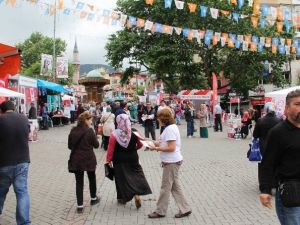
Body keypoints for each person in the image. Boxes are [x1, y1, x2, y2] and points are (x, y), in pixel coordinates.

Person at [259, 89, 300, 224]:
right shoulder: (278, 132)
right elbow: (268, 163)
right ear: (287, 108)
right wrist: (265, 190)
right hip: (290, 192)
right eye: (297, 104)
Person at [148, 108, 191, 219]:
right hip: (172, 161)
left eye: (158, 117)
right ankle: (185, 208)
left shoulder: (170, 129)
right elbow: (163, 142)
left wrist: (156, 148)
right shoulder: (169, 128)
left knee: (165, 188)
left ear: (163, 119)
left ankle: (160, 211)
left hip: (171, 162)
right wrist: (149, 141)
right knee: (175, 187)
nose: (157, 119)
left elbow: (171, 147)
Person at [106, 114, 152, 208]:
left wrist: (108, 160)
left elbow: (110, 149)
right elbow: (140, 144)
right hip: (132, 157)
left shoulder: (114, 134)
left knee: (121, 178)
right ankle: (137, 194)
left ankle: (122, 198)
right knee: (136, 175)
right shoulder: (134, 132)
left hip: (118, 159)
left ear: (118, 121)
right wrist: (132, 149)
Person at [0, 100, 31, 225]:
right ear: (14, 108)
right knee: (22, 192)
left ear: (2, 110)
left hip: (4, 162)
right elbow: (27, 135)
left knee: (1, 192)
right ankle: (24, 222)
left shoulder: (1, 120)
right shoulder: (24, 119)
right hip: (23, 161)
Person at [68, 111, 100, 213]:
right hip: (89, 159)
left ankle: (80, 206)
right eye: (90, 119)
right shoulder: (90, 131)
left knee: (79, 182)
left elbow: (70, 146)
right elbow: (96, 145)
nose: (91, 121)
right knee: (92, 178)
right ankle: (93, 199)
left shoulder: (73, 131)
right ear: (85, 120)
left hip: (77, 160)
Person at [253, 102, 280, 186]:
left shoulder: (260, 120)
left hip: (263, 146)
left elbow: (255, 135)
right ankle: (274, 183)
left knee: (262, 165)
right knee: (275, 164)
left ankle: (263, 184)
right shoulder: (279, 120)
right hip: (276, 146)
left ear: (265, 110)